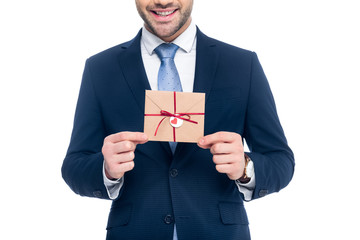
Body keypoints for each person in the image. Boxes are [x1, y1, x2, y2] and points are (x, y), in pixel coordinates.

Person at [62, 0, 295, 239]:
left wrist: (246, 167)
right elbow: (74, 166)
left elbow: (281, 161)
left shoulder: (241, 65)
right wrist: (106, 169)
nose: (163, 1)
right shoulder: (101, 68)